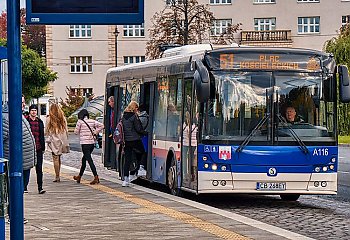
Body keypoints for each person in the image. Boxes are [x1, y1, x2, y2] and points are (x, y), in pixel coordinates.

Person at [73, 109, 104, 185]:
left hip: (85, 144)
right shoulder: (92, 121)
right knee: (84, 160)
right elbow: (102, 125)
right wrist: (96, 132)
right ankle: (79, 176)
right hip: (91, 144)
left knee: (89, 161)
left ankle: (96, 177)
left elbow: (76, 132)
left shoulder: (80, 122)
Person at [122, 101, 147, 187]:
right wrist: (146, 133)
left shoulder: (123, 116)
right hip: (135, 139)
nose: (137, 110)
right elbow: (138, 129)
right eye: (137, 108)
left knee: (127, 160)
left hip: (126, 141)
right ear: (134, 108)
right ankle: (140, 168)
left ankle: (126, 180)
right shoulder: (134, 116)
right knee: (143, 152)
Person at [45, 103, 69, 182]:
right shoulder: (63, 118)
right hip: (62, 139)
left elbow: (46, 131)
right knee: (58, 158)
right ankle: (58, 174)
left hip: (53, 140)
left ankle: (57, 176)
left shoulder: (49, 118)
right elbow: (66, 130)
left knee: (55, 158)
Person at [26, 104, 46, 194]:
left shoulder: (40, 122)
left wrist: (43, 147)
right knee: (27, 167)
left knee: (39, 168)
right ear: (29, 111)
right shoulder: (26, 121)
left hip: (38, 147)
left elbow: (42, 135)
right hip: (28, 148)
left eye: (35, 110)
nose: (34, 112)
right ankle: (24, 187)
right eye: (32, 110)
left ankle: (40, 187)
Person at [137, 104, 149, 177]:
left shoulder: (140, 118)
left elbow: (138, 128)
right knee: (144, 152)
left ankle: (139, 167)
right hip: (145, 137)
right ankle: (141, 167)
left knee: (141, 152)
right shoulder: (147, 117)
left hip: (141, 137)